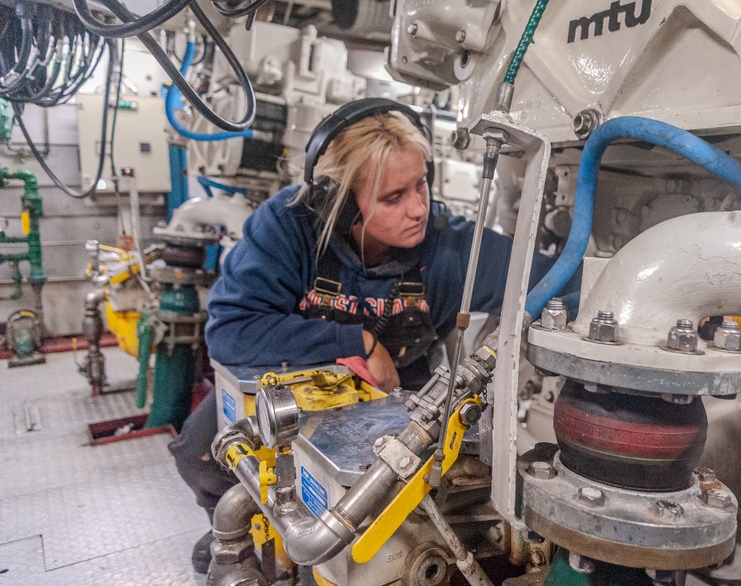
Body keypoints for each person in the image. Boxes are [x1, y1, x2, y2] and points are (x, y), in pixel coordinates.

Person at [169, 98, 553, 573]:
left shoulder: (450, 248)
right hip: (291, 383)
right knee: (199, 454)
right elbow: (231, 330)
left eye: (421, 185)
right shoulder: (287, 228)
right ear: (341, 201)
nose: (418, 209)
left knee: (370, 537)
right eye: (393, 198)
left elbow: (552, 283)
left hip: (392, 400)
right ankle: (236, 532)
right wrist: (353, 344)